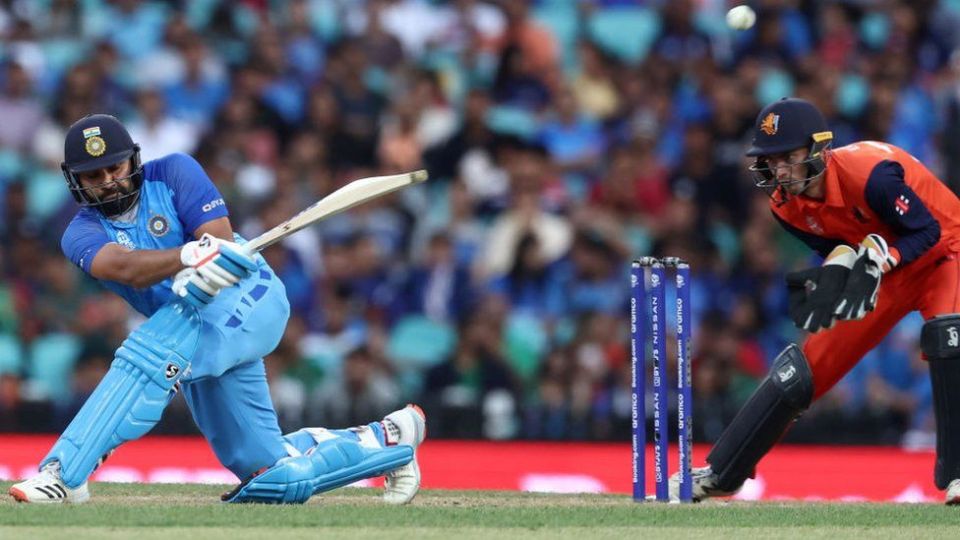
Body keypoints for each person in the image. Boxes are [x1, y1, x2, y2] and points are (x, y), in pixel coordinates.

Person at [8, 114, 426, 505]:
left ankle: (65, 473)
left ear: (133, 159)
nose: (109, 182)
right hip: (192, 331)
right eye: (94, 176)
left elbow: (220, 238)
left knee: (152, 349)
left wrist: (207, 258)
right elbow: (125, 268)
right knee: (272, 475)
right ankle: (390, 439)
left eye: (115, 168)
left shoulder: (173, 171)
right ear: (75, 180)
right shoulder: (79, 233)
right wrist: (188, 256)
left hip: (248, 297)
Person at [670, 97, 960, 505]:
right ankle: (723, 472)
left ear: (818, 150)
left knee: (948, 337)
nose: (780, 170)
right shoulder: (785, 206)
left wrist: (884, 257)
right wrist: (839, 275)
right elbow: (838, 247)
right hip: (884, 267)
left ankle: (958, 474)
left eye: (788, 157)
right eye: (771, 160)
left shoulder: (872, 176)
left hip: (945, 249)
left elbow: (926, 231)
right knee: (806, 368)